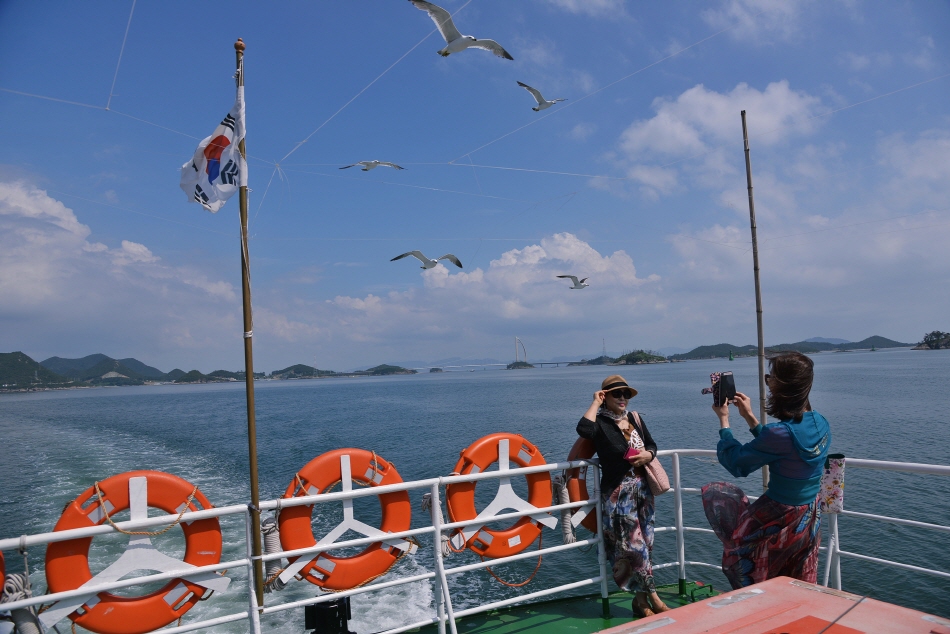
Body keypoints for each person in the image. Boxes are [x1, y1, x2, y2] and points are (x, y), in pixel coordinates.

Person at [702, 352, 831, 589]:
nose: (768, 384)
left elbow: (737, 464)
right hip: (808, 515)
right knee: (796, 576)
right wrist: (750, 418)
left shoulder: (778, 434)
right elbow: (787, 447)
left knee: (745, 564)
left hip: (777, 515)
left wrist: (724, 422)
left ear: (782, 387)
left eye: (769, 379)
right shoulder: (821, 422)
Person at [576, 375, 670, 617]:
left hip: (643, 490)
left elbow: (652, 444)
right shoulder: (599, 423)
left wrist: (648, 456)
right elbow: (583, 429)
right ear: (605, 395)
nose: (622, 398)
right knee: (634, 547)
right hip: (619, 495)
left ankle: (640, 602)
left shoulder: (634, 418)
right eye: (616, 394)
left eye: (626, 394)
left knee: (646, 544)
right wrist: (595, 403)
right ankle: (655, 599)